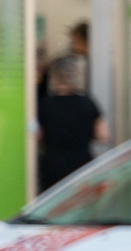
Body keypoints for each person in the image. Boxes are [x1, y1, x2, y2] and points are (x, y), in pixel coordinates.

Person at [36, 53, 108, 191]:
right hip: (83, 168)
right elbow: (103, 135)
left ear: (55, 78)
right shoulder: (88, 102)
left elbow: (38, 135)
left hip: (53, 169)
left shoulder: (46, 105)